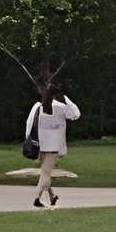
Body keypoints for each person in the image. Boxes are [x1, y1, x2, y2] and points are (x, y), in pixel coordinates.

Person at [25, 80, 83, 209]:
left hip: (40, 144)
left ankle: (52, 196)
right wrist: (66, 99)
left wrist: (29, 140)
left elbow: (29, 123)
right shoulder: (61, 107)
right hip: (53, 146)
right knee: (45, 173)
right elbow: (76, 114)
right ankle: (37, 198)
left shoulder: (37, 106)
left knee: (45, 172)